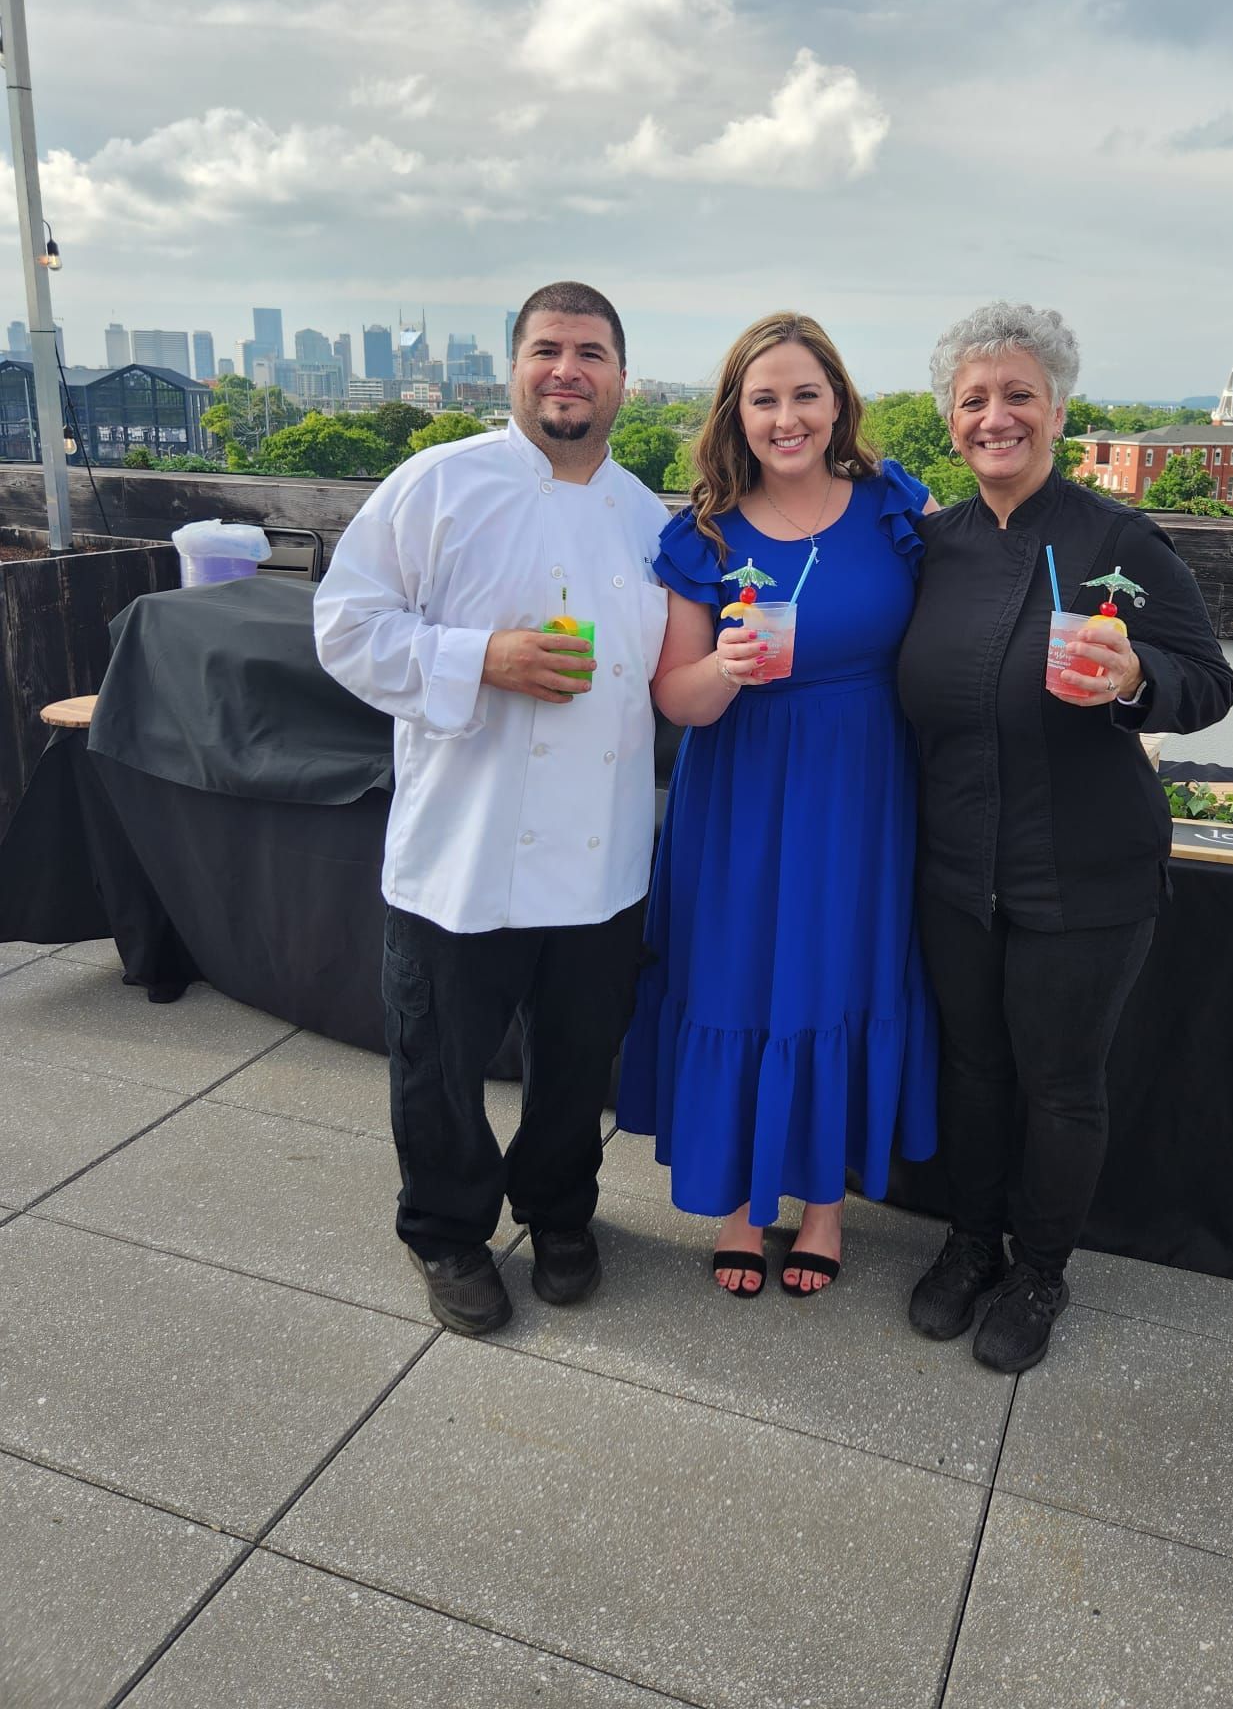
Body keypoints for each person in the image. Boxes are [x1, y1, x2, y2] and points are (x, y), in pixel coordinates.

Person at [313, 282, 668, 1335]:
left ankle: (560, 1210)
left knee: (575, 1062)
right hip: (462, 844)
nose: (569, 370)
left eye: (591, 352)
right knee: (440, 1063)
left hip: (600, 855)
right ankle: (445, 1231)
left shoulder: (647, 515)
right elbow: (344, 625)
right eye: (547, 348)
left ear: (621, 376)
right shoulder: (438, 483)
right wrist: (481, 658)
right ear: (513, 367)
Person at [898, 301, 1233, 1373]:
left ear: (1057, 412)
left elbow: (1209, 680)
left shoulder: (1119, 541)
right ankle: (971, 1240)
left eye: (1019, 395)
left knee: (1060, 1083)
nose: (995, 416)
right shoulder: (932, 547)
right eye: (974, 399)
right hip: (955, 866)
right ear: (950, 420)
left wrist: (1137, 677)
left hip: (1086, 870)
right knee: (972, 1067)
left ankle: (1040, 1269)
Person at [616, 312, 938, 1297]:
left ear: (838, 403)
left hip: (865, 790)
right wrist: (723, 665)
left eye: (806, 394)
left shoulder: (897, 507)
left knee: (839, 974)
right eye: (765, 399)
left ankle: (826, 1207)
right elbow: (677, 699)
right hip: (742, 793)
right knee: (739, 975)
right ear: (737, 414)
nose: (787, 416)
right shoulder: (703, 535)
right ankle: (740, 1207)